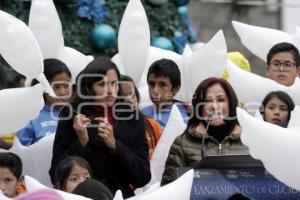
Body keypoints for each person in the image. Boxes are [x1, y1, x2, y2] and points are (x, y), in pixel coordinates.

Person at [49, 57, 151, 198]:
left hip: (120, 195)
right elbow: (56, 174)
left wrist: (116, 147)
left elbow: (143, 176)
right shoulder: (72, 115)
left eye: (114, 84)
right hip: (83, 196)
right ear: (89, 87)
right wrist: (81, 142)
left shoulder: (132, 116)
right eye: (102, 84)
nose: (110, 91)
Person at [161, 77, 249, 185]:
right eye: (208, 100)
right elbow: (168, 189)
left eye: (221, 100)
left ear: (230, 104)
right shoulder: (182, 143)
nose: (215, 106)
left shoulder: (249, 141)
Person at [17, 59, 72, 146]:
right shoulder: (31, 117)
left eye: (66, 85)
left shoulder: (76, 115)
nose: (63, 92)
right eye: (56, 87)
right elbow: (23, 153)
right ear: (43, 88)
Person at [119, 75, 162, 160]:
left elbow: (163, 156)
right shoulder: (112, 128)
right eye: (123, 97)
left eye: (132, 95)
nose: (130, 100)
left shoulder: (152, 125)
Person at [142, 59, 189, 128]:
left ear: (176, 89)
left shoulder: (181, 120)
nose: (155, 90)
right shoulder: (145, 111)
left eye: (162, 85)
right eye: (151, 84)